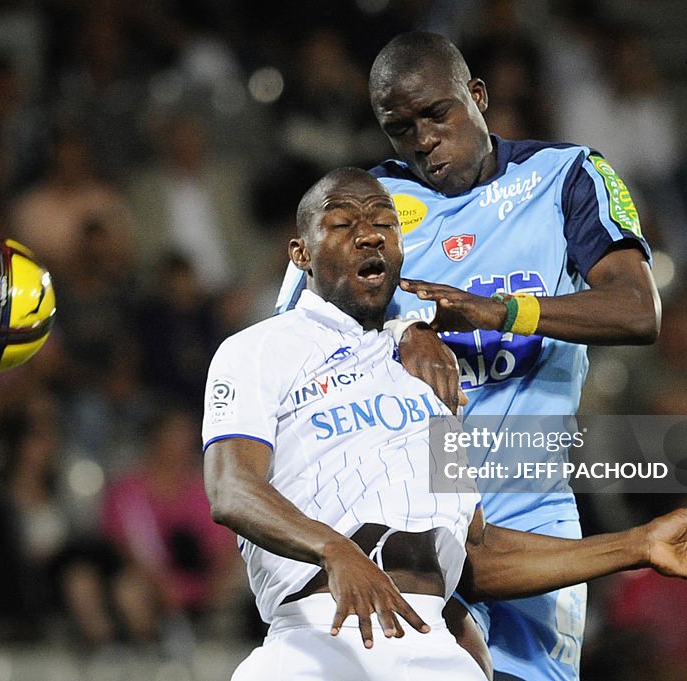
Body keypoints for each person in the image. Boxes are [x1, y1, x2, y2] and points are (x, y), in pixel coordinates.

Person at [213, 168, 687, 680]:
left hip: (430, 642)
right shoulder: (258, 350)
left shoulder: (428, 375)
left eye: (384, 223)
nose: (369, 234)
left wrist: (638, 544)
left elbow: (477, 550)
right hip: (318, 635)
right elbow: (232, 488)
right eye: (343, 223)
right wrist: (333, 548)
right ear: (300, 253)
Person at [274, 31, 664, 680]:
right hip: (415, 505)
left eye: (436, 115)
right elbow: (286, 349)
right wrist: (402, 329)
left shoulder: (567, 177)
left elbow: (636, 308)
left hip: (535, 503)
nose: (422, 139)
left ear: (476, 96)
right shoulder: (360, 208)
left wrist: (503, 310)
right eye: (400, 128)